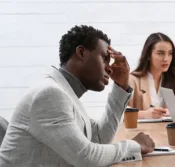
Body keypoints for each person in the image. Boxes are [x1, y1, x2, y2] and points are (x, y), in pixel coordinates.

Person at [0, 25, 155, 166]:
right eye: (104, 59)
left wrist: (120, 86)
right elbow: (86, 158)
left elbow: (99, 140)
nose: (110, 69)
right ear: (81, 53)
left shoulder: (64, 92)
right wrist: (132, 146)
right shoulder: (50, 94)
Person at [128, 32, 175, 119]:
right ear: (148, 55)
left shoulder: (174, 79)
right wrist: (145, 114)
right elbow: (119, 113)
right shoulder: (132, 80)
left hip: (169, 131)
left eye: (170, 53)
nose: (166, 59)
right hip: (142, 131)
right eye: (160, 53)